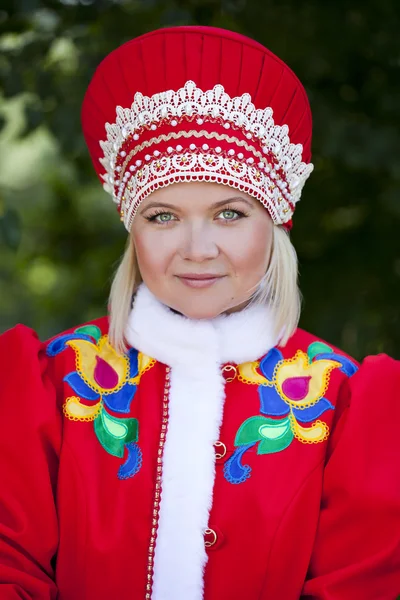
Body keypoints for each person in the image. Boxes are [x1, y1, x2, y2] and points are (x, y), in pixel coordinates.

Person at [0, 25, 399, 600]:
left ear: (277, 221)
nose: (196, 248)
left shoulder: (346, 408)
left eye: (229, 214)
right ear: (130, 227)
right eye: (161, 216)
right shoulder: (51, 388)